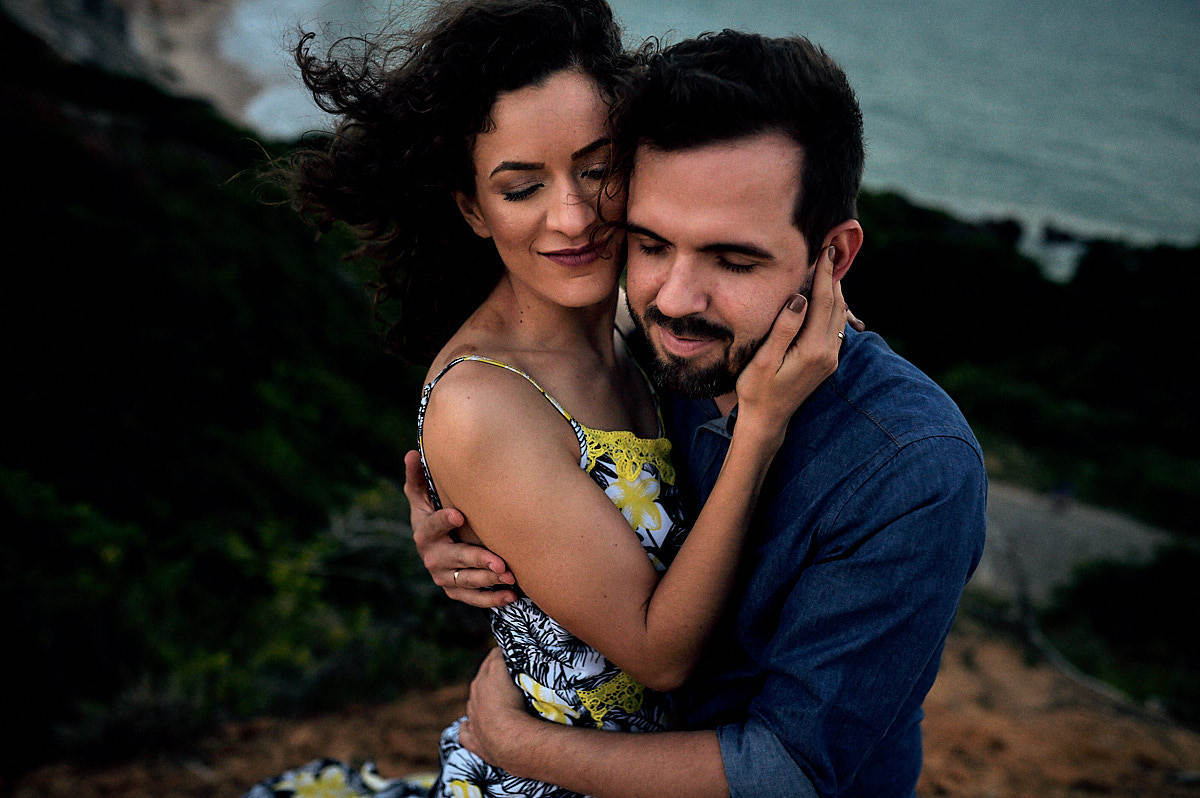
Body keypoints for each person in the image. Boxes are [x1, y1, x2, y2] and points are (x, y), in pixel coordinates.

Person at [246, 3, 854, 797]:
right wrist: (761, 428)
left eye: (597, 169)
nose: (571, 217)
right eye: (522, 186)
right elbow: (657, 649)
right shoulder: (484, 401)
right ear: (473, 209)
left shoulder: (636, 330)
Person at [407, 30, 988, 798]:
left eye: (733, 260)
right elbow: (529, 433)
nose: (676, 299)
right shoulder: (641, 345)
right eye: (651, 243)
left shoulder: (913, 469)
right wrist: (464, 521)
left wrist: (523, 746)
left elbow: (789, 772)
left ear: (833, 259)